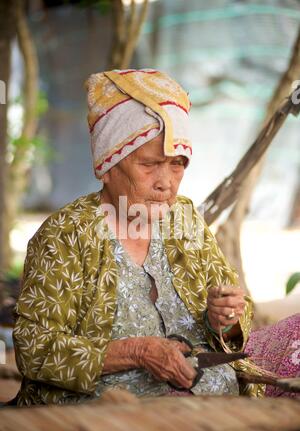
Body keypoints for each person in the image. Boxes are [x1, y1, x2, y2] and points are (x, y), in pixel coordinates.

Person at [13, 69, 299, 406]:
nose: (166, 182)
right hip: (114, 406)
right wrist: (138, 351)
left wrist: (224, 320)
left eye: (177, 164)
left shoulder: (185, 219)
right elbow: (34, 349)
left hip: (209, 389)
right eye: (149, 165)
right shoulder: (65, 236)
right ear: (106, 166)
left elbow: (237, 323)